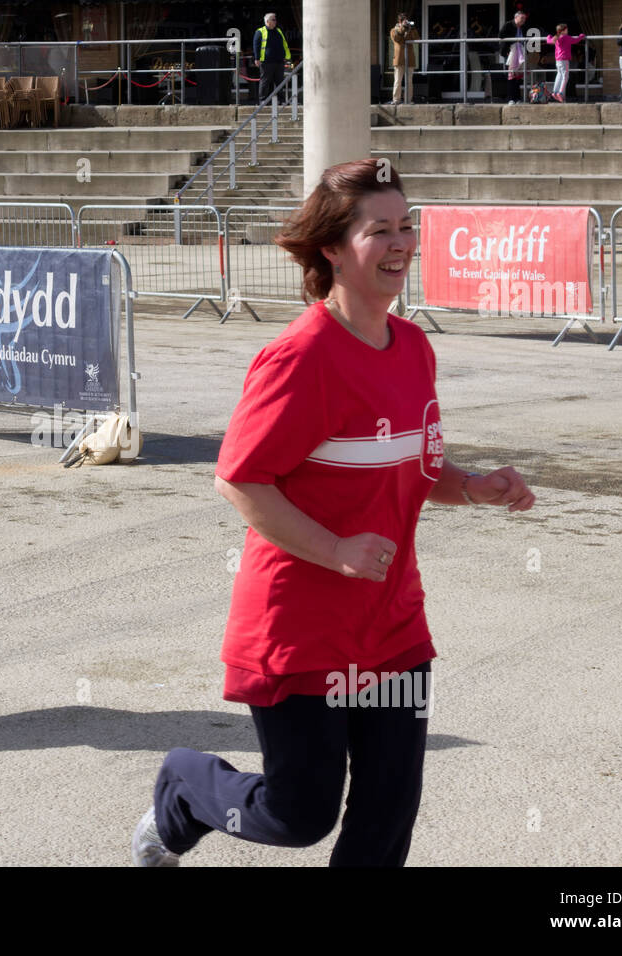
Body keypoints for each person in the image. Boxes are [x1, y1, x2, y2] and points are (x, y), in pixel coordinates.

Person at [130, 158, 535, 867]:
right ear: (332, 249)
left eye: (407, 225)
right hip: (301, 629)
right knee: (298, 815)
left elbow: (410, 462)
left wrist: (473, 485)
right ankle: (187, 791)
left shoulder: (412, 347)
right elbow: (239, 479)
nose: (402, 243)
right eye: (380, 230)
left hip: (394, 624)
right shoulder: (301, 356)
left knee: (386, 816)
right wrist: (335, 549)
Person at [251, 12, 293, 106]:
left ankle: (281, 100)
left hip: (279, 61)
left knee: (280, 82)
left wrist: (287, 58)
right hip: (266, 62)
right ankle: (263, 100)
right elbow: (256, 46)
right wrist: (257, 58)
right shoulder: (260, 31)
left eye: (275, 19)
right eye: (273, 20)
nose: (275, 21)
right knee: (265, 81)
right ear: (267, 21)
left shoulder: (278, 31)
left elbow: (284, 44)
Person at [545, 24, 585, 103]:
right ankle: (560, 93)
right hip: (564, 60)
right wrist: (581, 36)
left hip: (558, 60)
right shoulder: (566, 37)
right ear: (564, 30)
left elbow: (548, 41)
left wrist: (548, 36)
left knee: (559, 75)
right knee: (565, 77)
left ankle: (554, 92)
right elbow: (575, 40)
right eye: (567, 29)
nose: (568, 31)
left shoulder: (556, 37)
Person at [498, 9, 529, 104]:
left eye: (524, 18)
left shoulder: (522, 27)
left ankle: (517, 98)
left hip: (519, 53)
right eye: (522, 18)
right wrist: (510, 45)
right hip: (510, 53)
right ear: (516, 17)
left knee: (518, 77)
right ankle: (511, 98)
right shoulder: (508, 24)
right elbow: (501, 35)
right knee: (511, 76)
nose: (524, 20)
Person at [389, 13, 419, 106]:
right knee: (398, 80)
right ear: (400, 22)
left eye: (407, 21)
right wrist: (402, 28)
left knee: (409, 81)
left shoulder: (410, 30)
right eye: (404, 21)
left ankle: (408, 100)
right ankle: (396, 100)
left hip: (409, 59)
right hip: (399, 59)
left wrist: (412, 29)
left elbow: (417, 38)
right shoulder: (394, 30)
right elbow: (397, 39)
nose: (406, 23)